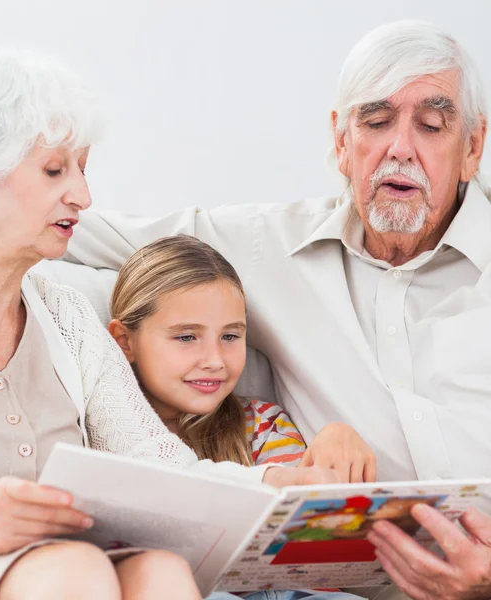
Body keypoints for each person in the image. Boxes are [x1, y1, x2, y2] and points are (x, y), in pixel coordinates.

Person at [60, 19, 491, 599]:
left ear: (473, 147)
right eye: (376, 121)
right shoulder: (267, 246)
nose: (400, 148)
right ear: (341, 142)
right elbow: (67, 227)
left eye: (432, 125)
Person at [0, 47, 339, 600]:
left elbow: (157, 466)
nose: (83, 195)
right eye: (55, 169)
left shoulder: (67, 316)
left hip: (67, 569)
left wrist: (271, 483)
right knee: (73, 573)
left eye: (82, 169)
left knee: (160, 570)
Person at [108, 234, 370, 600]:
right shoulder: (103, 436)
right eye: (186, 338)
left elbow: (314, 552)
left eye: (230, 336)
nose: (215, 360)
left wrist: (337, 437)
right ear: (124, 341)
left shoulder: (262, 425)